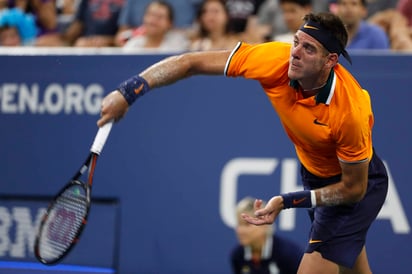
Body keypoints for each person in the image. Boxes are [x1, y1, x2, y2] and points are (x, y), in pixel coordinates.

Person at [98, 11, 389, 274]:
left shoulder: (349, 111)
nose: (295, 53)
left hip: (354, 185)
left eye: (308, 49)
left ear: (331, 61)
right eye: (296, 42)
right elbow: (190, 62)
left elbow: (353, 189)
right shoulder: (274, 58)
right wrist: (128, 92)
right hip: (316, 175)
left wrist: (286, 201)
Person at [231, 197, 303, 274]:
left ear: (264, 225)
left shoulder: (290, 254)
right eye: (239, 224)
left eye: (247, 224)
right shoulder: (238, 256)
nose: (240, 230)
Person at [122, 1, 189, 53]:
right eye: (151, 15)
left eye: (160, 17)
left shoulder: (178, 46)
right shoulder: (133, 45)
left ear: (170, 23)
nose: (154, 21)